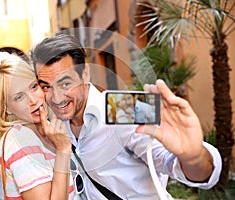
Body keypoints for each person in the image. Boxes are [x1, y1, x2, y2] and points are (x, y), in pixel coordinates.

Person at [31, 34, 222, 199]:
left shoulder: (125, 105)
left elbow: (171, 161)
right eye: (46, 86)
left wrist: (194, 158)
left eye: (65, 84)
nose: (55, 98)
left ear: (85, 74)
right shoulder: (57, 125)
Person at [0, 52, 86, 199]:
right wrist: (63, 149)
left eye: (34, 86)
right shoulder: (20, 139)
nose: (33, 100)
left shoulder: (45, 130)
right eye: (19, 97)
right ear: (7, 107)